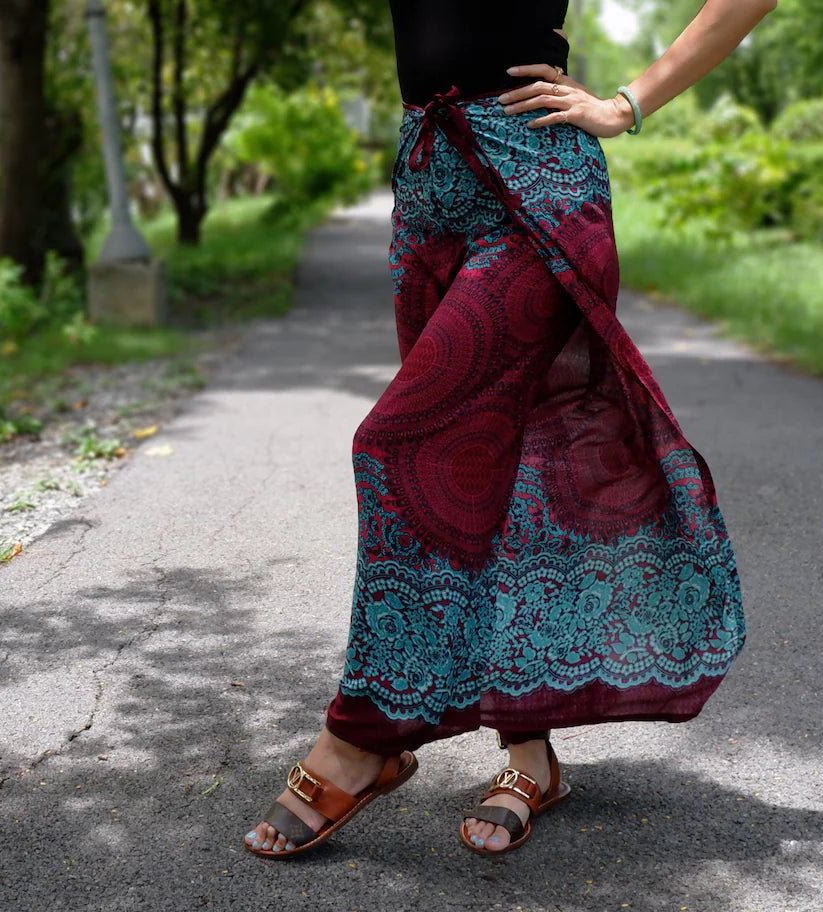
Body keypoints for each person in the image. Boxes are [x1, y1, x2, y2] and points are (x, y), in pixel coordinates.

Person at [244, 0, 776, 859]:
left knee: (398, 444)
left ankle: (361, 740)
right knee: (495, 477)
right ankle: (530, 755)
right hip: (429, 179)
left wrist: (628, 102)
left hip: (534, 178)